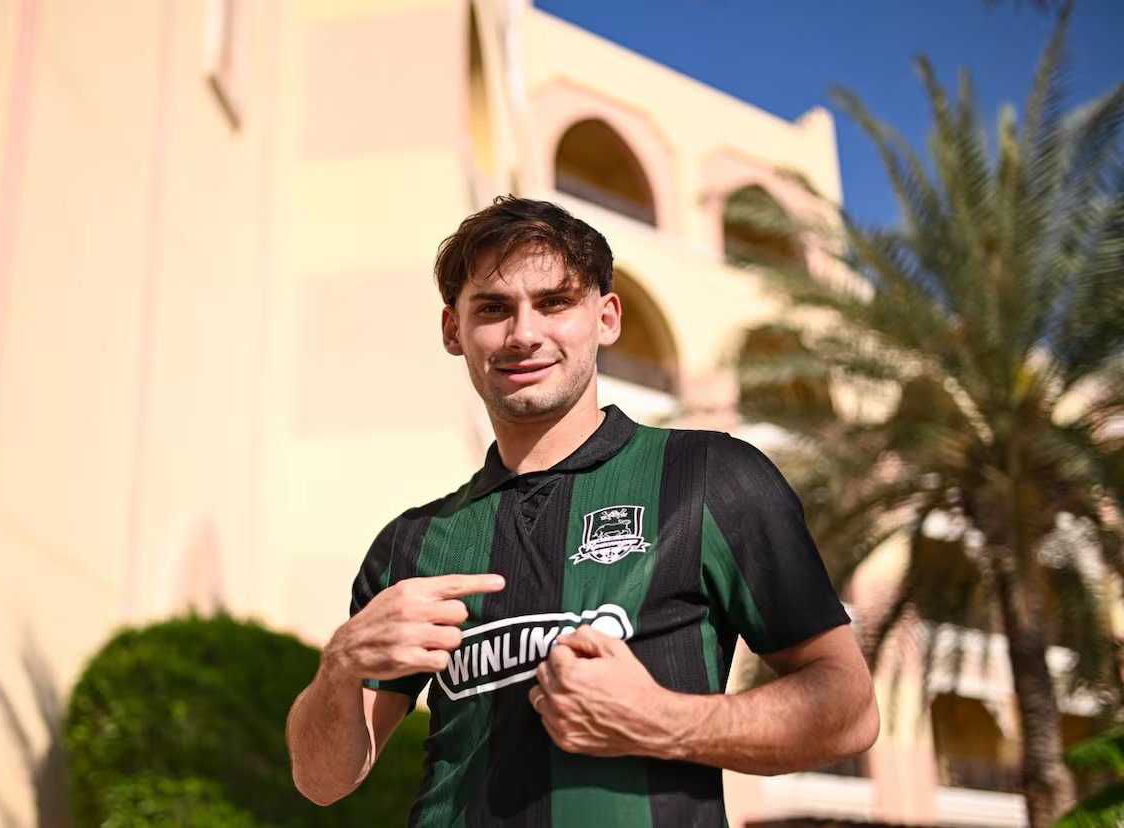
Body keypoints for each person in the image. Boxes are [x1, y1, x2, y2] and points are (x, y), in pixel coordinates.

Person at [285, 196, 878, 826]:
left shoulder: (710, 477)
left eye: (554, 302)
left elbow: (849, 709)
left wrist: (662, 720)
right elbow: (321, 781)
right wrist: (340, 663)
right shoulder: (412, 543)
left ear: (606, 317)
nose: (524, 334)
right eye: (493, 308)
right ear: (453, 331)